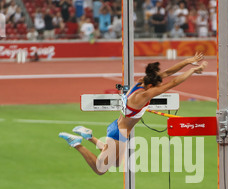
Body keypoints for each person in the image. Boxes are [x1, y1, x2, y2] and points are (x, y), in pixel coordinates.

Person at [59, 53, 208, 175]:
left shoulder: (141, 82)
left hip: (118, 128)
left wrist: (188, 61)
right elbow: (173, 82)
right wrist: (193, 70)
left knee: (116, 163)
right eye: (157, 86)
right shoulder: (143, 96)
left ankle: (89, 136)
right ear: (150, 86)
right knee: (100, 169)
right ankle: (76, 143)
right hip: (119, 133)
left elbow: (168, 73)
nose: (159, 87)